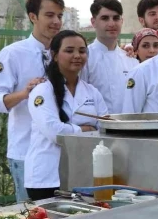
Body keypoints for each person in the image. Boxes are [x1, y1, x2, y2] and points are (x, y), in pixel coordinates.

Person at [0, 0, 65, 202]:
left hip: (60, 151)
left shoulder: (66, 53)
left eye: (59, 15)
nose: (56, 21)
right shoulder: (13, 54)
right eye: (49, 15)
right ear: (33, 17)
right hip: (26, 152)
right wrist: (23, 94)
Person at [24, 31, 107, 200]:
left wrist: (77, 130)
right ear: (54, 55)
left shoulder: (92, 92)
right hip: (48, 177)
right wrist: (85, 129)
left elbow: (106, 127)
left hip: (83, 175)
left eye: (82, 51)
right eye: (69, 51)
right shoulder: (42, 91)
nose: (77, 56)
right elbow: (54, 133)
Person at [80, 0, 138, 114]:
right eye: (105, 18)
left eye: (116, 18)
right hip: (96, 128)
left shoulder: (131, 59)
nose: (112, 23)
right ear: (93, 22)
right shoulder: (84, 58)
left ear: (122, 21)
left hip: (129, 127)